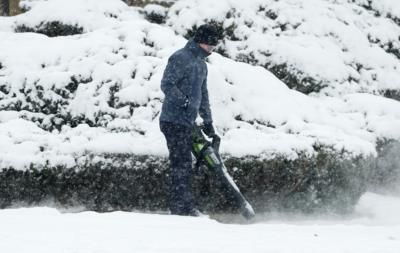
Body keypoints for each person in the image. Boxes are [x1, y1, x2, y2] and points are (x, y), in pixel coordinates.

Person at [159, 24, 221, 216]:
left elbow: (203, 94)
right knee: (181, 163)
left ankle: (184, 205)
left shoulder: (202, 65)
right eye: (210, 43)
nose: (212, 48)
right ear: (201, 40)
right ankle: (181, 208)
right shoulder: (180, 58)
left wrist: (208, 121)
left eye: (214, 45)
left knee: (186, 164)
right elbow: (167, 84)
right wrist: (184, 102)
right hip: (172, 119)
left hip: (186, 122)